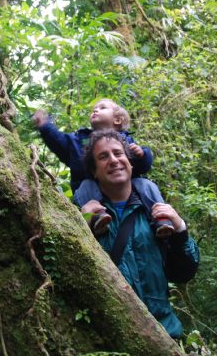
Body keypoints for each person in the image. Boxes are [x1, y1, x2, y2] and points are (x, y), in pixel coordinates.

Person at [80, 129, 199, 338]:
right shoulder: (83, 214)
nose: (114, 160)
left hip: (165, 333)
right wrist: (80, 225)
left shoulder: (153, 211)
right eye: (103, 156)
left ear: (130, 163)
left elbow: (184, 273)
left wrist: (180, 228)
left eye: (118, 153)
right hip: (111, 337)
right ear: (94, 171)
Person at [33, 99, 173, 236]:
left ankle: (161, 218)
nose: (95, 110)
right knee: (87, 186)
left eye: (102, 108)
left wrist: (142, 155)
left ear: (117, 120)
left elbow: (142, 167)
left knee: (146, 184)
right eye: (94, 108)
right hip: (90, 188)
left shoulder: (126, 141)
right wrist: (46, 126)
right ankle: (97, 218)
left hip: (127, 191)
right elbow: (59, 141)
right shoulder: (80, 140)